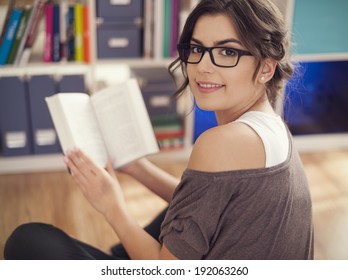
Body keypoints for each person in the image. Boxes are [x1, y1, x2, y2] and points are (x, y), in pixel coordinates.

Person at [4, 0, 313, 260]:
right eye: (196, 48)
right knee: (176, 212)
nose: (203, 66)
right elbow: (208, 203)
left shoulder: (222, 142)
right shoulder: (271, 123)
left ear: (266, 67)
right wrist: (139, 169)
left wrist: (112, 206)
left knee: (26, 240)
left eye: (227, 52)